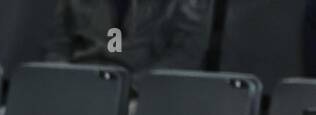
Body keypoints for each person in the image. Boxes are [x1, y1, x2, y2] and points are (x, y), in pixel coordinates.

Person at [44, 0, 212, 74]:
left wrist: (132, 90)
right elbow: (57, 46)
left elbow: (186, 55)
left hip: (146, 91)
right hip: (83, 83)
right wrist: (62, 81)